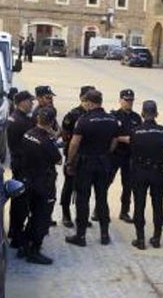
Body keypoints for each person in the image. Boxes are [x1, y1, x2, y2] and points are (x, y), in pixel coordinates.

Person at [65, 88, 120, 247]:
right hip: (103, 162)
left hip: (86, 163)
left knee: (83, 198)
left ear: (89, 102)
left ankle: (80, 235)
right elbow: (114, 142)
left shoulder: (84, 120)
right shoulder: (111, 119)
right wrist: (105, 152)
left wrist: (70, 162)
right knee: (102, 198)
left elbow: (74, 143)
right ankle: (104, 234)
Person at [125, 99, 163, 249]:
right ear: (156, 114)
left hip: (140, 171)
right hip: (158, 171)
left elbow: (132, 150)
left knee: (139, 204)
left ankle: (140, 239)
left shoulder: (135, 131)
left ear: (143, 114)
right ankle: (157, 238)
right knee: (158, 205)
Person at [19, 105, 62, 264]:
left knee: (31, 215)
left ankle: (24, 246)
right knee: (42, 218)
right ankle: (34, 250)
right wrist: (53, 137)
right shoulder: (46, 141)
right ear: (51, 122)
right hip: (44, 183)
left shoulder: (28, 134)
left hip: (29, 180)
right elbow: (58, 159)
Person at [5, 90, 35, 254]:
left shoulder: (15, 117)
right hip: (23, 165)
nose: (32, 104)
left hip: (19, 163)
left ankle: (13, 231)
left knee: (18, 200)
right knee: (21, 202)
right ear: (22, 102)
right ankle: (17, 235)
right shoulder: (21, 121)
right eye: (30, 101)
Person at [58, 86, 92, 229]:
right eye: (88, 99)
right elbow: (65, 134)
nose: (90, 103)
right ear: (82, 99)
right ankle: (66, 214)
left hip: (88, 156)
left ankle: (82, 216)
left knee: (84, 188)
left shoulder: (94, 115)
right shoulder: (73, 115)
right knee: (69, 185)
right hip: (74, 155)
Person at [109, 89, 142, 223]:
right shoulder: (113, 116)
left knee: (128, 185)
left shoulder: (136, 117)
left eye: (131, 100)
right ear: (120, 100)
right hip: (116, 154)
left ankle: (124, 211)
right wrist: (122, 138)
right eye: (126, 100)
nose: (129, 102)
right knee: (106, 182)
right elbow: (110, 135)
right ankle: (99, 209)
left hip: (130, 155)